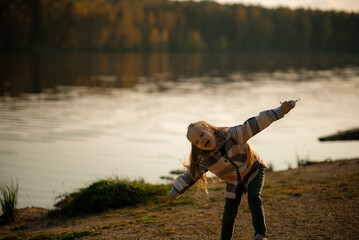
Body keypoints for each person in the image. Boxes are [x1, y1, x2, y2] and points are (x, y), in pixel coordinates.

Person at [158, 100, 297, 240]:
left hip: (253, 169)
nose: (201, 141)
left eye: (201, 135)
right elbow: (190, 176)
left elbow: (256, 124)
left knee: (254, 196)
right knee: (229, 213)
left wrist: (280, 111)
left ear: (209, 129)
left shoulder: (233, 135)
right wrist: (173, 193)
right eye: (197, 142)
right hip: (234, 182)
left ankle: (260, 235)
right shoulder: (205, 159)